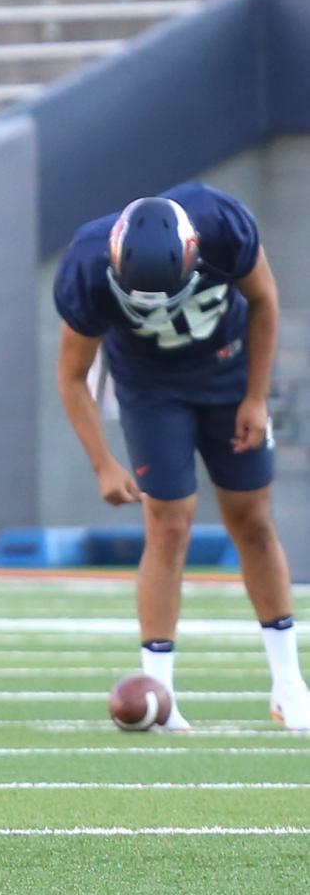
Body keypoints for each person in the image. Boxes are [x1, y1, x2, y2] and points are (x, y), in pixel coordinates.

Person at [54, 181, 310, 733]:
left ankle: (289, 685)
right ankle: (161, 690)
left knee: (254, 520)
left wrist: (256, 397)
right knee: (168, 524)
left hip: (228, 371)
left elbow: (264, 300)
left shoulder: (222, 222)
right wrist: (102, 462)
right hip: (151, 388)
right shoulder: (86, 263)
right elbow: (73, 374)